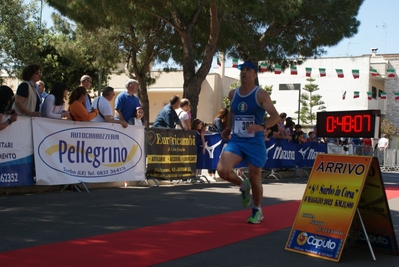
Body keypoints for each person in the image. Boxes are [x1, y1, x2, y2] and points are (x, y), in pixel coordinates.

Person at [216, 61, 280, 224]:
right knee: (222, 170)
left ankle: (257, 210)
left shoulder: (260, 94)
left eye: (248, 70)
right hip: (237, 140)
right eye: (242, 70)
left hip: (254, 142)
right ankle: (242, 185)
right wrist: (228, 128)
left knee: (255, 178)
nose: (244, 72)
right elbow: (232, 112)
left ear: (255, 74)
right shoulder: (233, 94)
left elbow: (275, 116)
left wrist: (262, 126)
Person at [208, 108, 229, 177]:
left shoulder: (217, 119)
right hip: (216, 141)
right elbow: (220, 130)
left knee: (216, 156)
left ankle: (213, 173)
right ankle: (211, 173)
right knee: (214, 156)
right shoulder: (218, 120)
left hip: (219, 141)